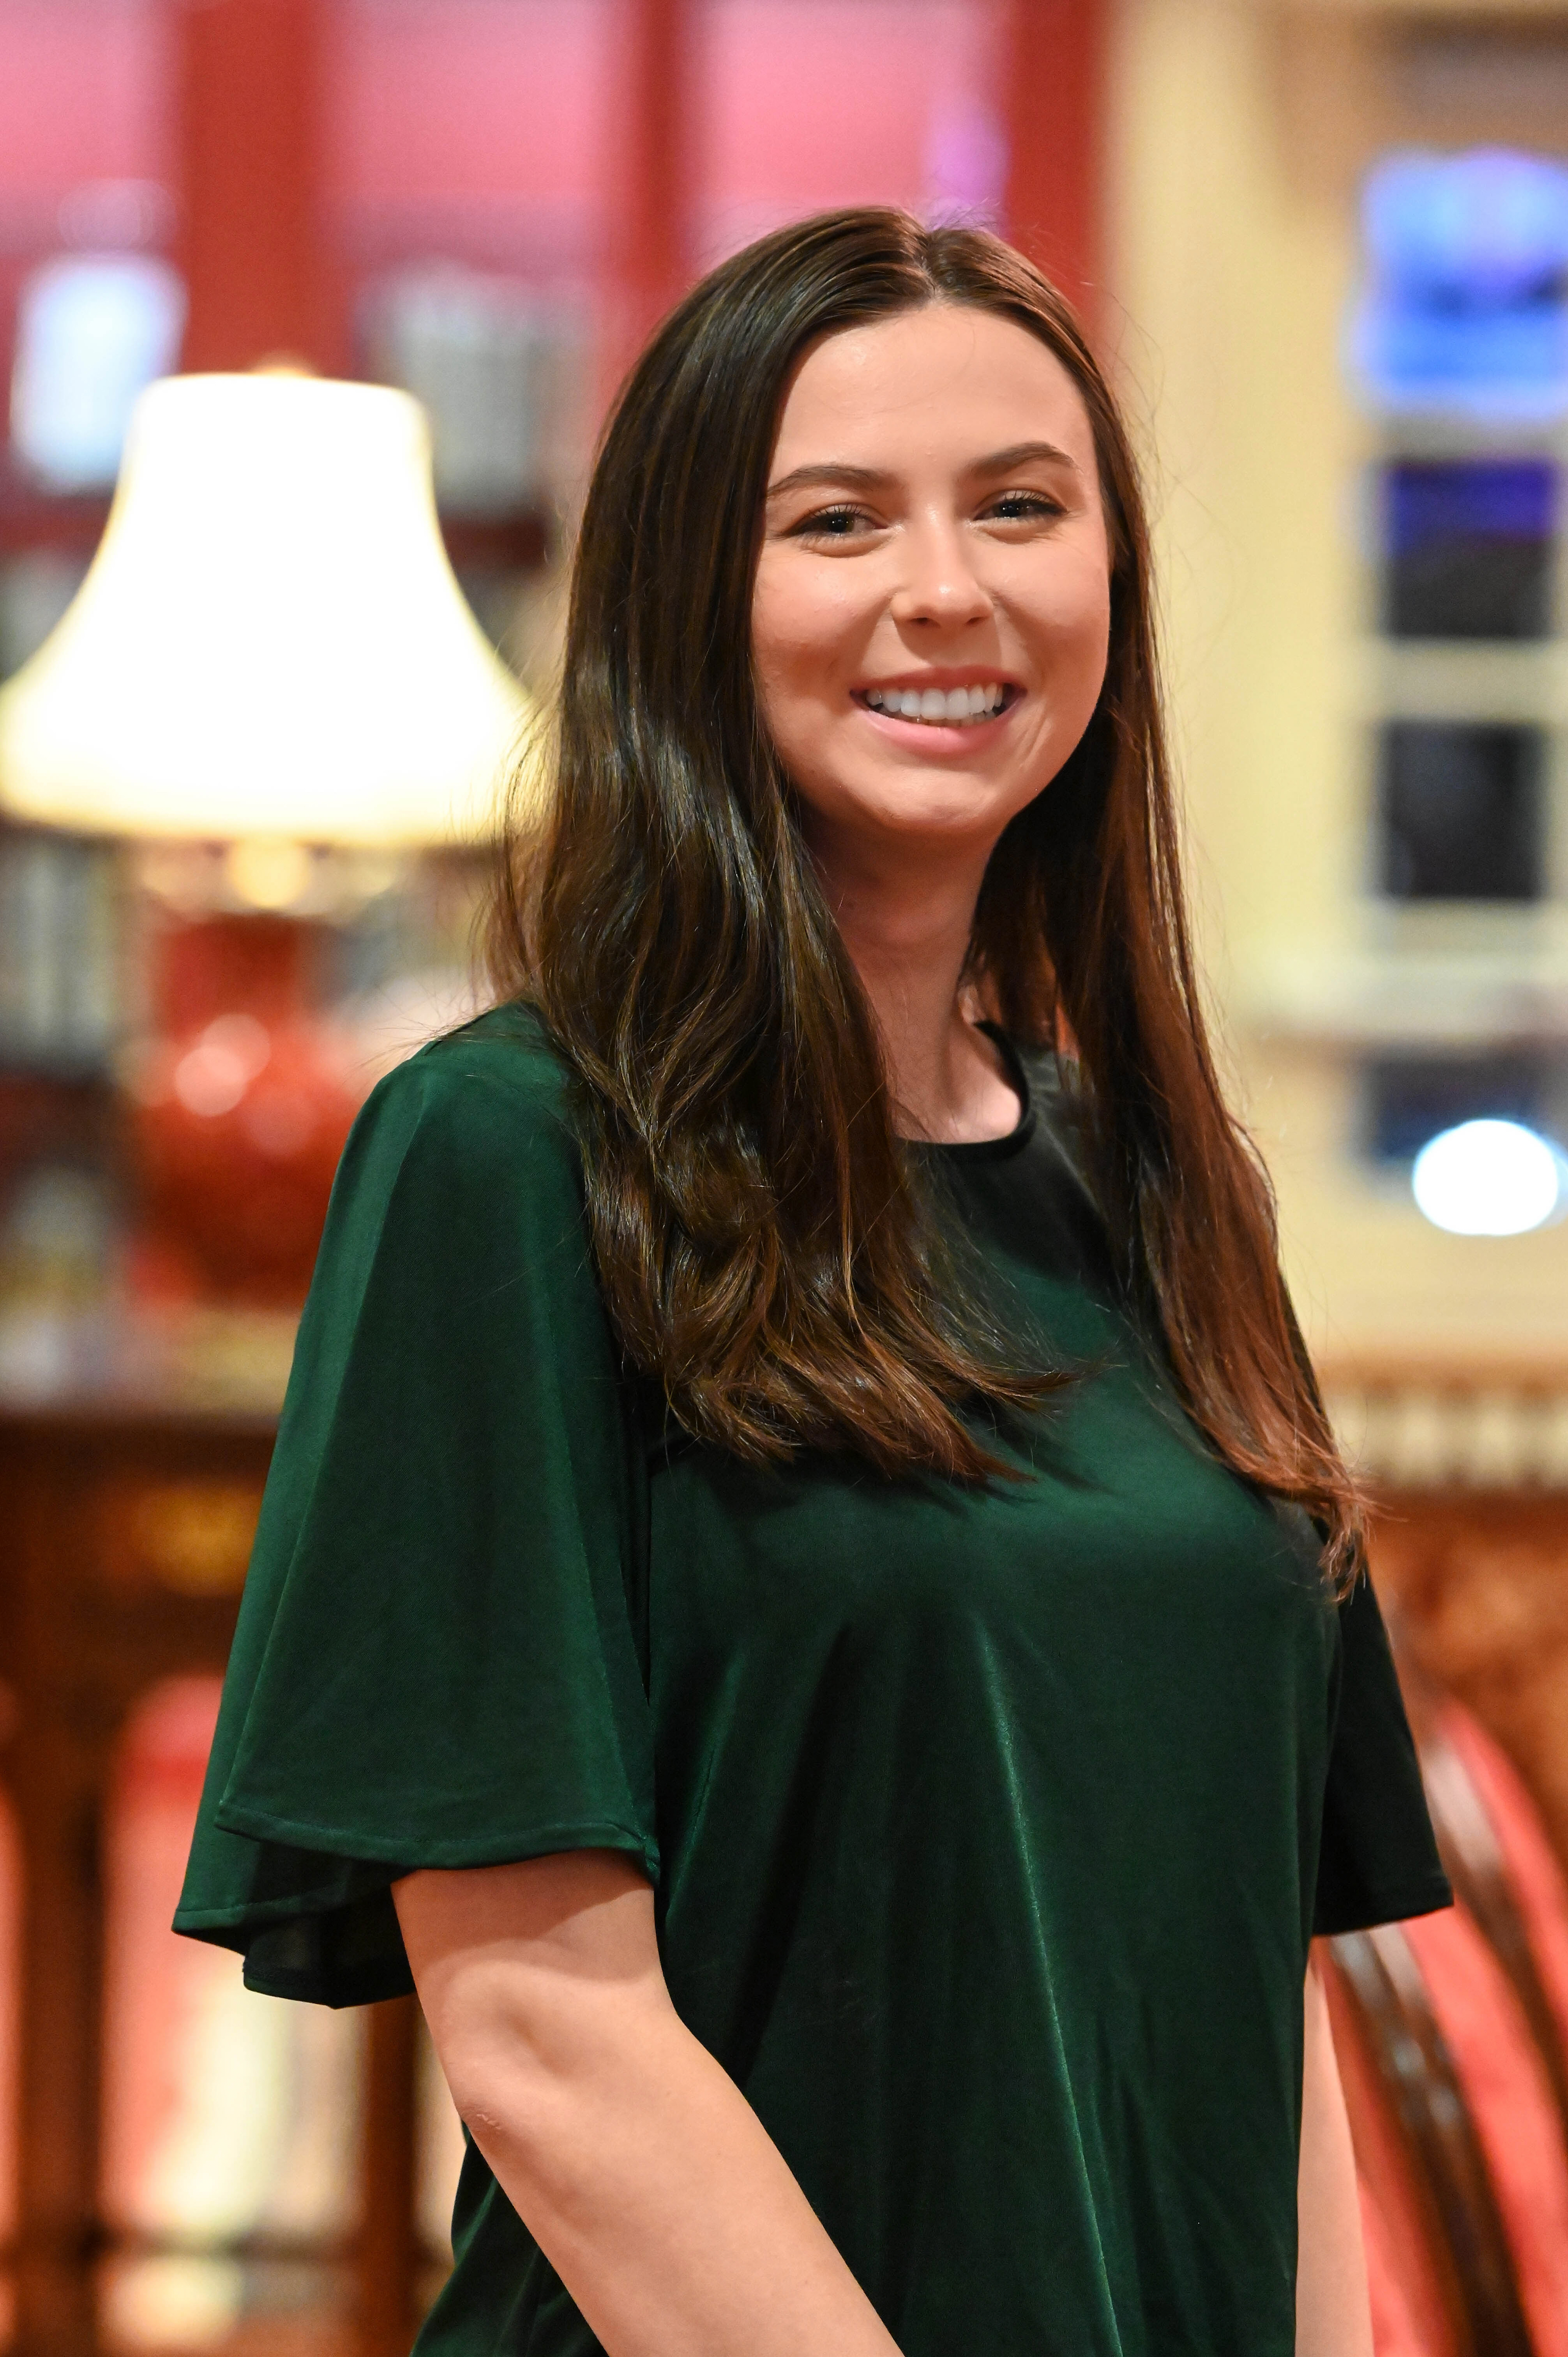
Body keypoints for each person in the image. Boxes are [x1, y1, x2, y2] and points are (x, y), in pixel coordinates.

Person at [176, 209, 1451, 2357]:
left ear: (1109, 591)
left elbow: (1270, 1997)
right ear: (692, 605)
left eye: (1021, 508)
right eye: (836, 519)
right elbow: (553, 2044)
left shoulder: (1157, 1187)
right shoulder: (504, 1161)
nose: (946, 589)